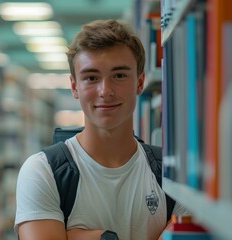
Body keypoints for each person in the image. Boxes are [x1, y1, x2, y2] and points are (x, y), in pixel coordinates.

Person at [14, 19, 189, 240]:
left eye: (119, 75)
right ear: (75, 87)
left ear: (140, 82)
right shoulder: (42, 171)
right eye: (91, 78)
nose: (105, 91)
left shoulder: (172, 173)